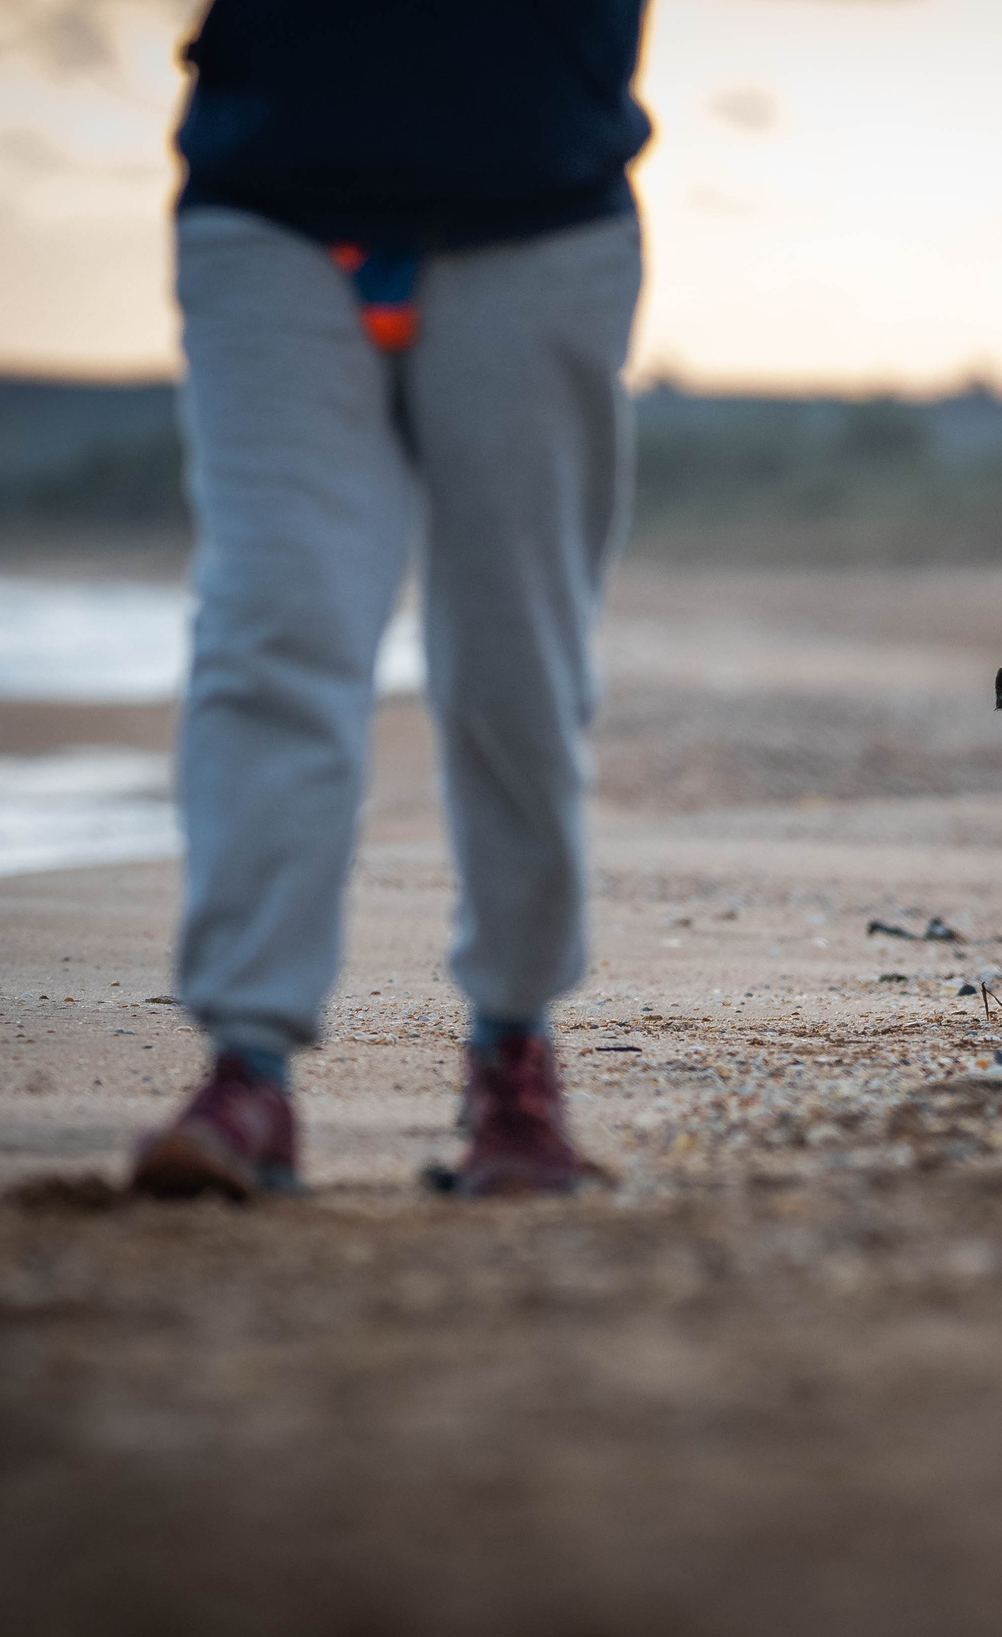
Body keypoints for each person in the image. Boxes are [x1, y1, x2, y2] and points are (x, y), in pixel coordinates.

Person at [127, 2, 651, 1200]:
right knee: (273, 627)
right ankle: (246, 1067)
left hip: (539, 199)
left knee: (518, 666)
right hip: (267, 196)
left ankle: (513, 1048)